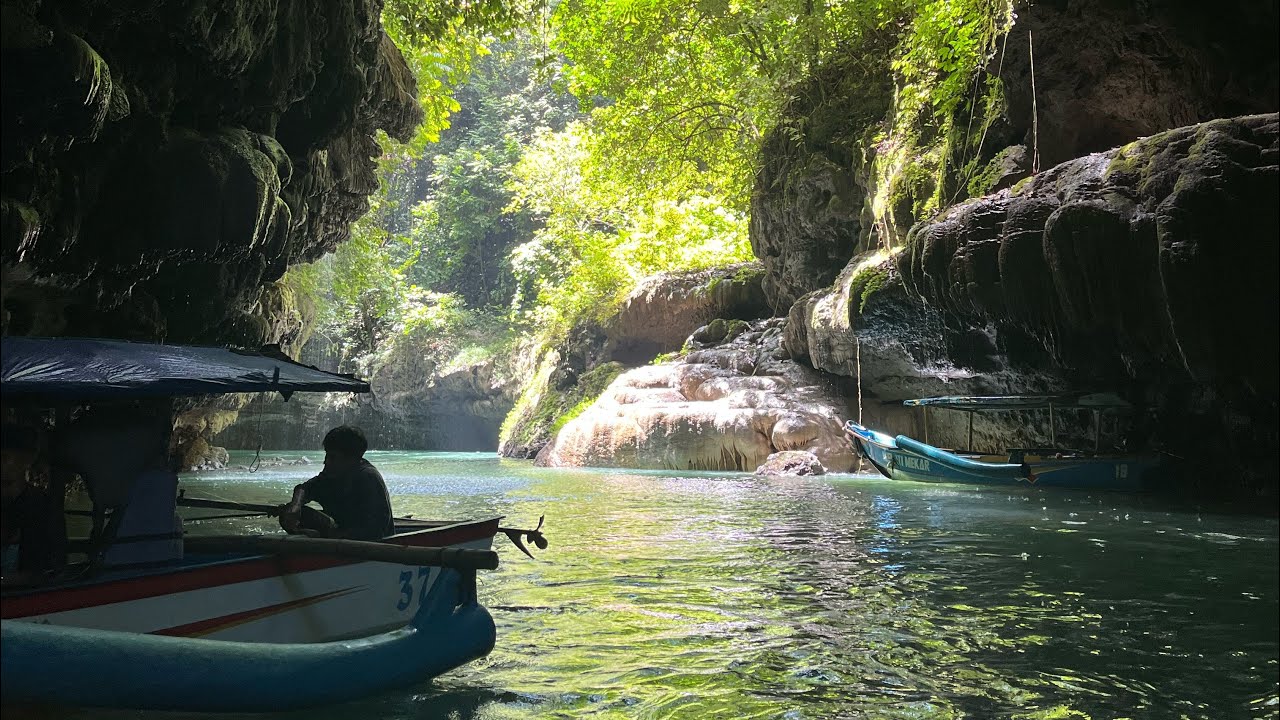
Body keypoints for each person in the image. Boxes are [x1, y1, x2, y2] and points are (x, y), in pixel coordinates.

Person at [276, 426, 392, 541]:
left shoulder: (368, 478)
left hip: (365, 543)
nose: (326, 462)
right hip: (338, 534)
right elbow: (305, 488)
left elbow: (375, 530)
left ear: (351, 459)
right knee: (289, 512)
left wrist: (329, 536)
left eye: (333, 457)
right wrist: (295, 506)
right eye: (327, 456)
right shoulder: (331, 475)